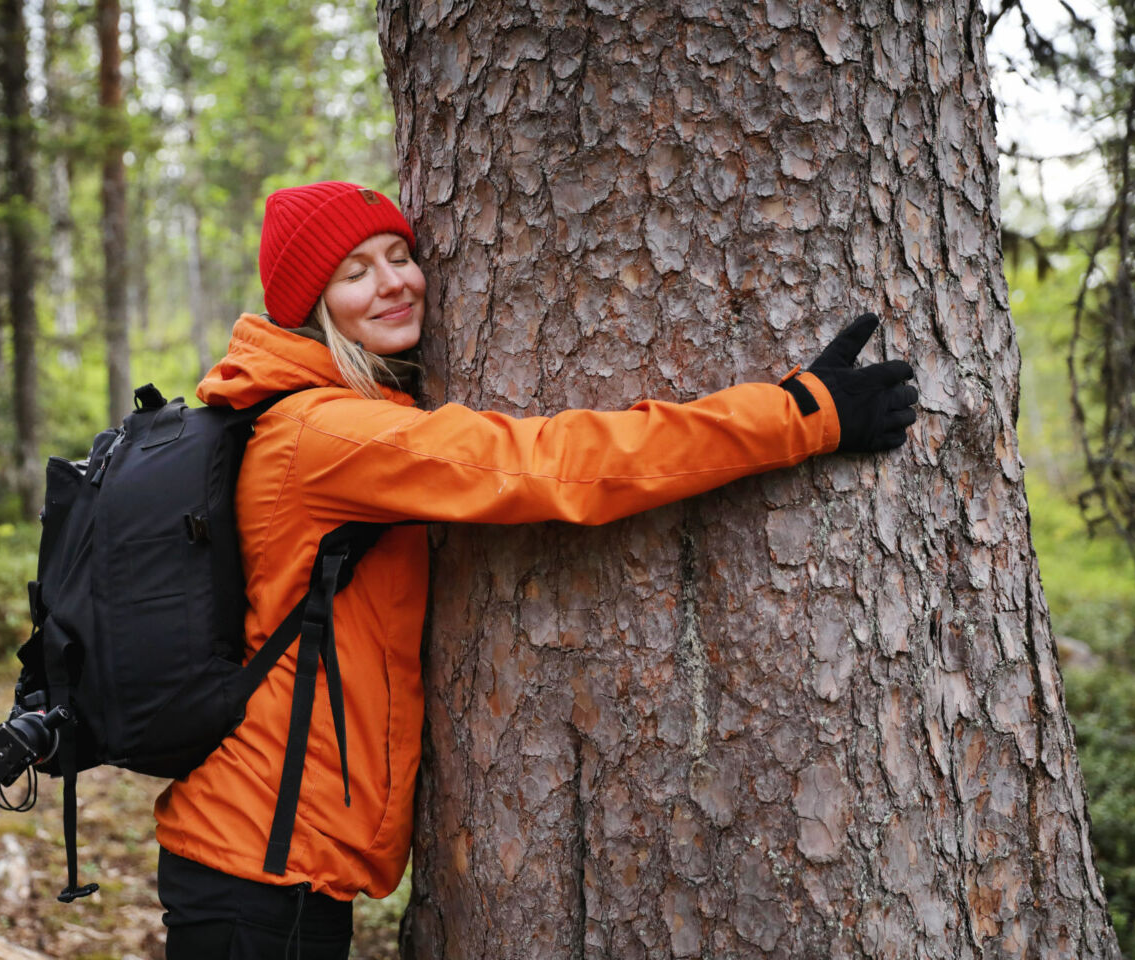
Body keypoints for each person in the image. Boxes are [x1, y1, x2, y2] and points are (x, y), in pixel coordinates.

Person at [151, 180, 918, 958]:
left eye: (399, 256)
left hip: (267, 849)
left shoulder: (307, 416)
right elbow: (553, 466)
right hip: (261, 861)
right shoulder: (332, 433)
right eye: (354, 272)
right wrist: (798, 412)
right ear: (312, 305)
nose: (394, 283)